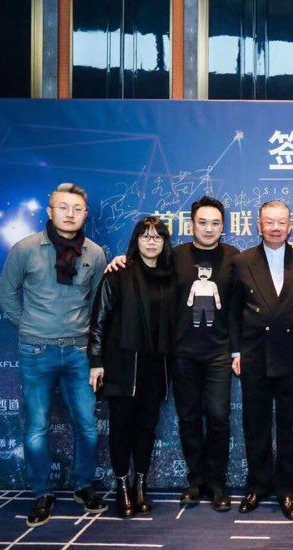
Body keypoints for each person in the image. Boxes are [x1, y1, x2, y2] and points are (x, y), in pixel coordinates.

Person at [105, 196, 238, 512]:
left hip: (219, 354)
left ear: (224, 226)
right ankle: (195, 482)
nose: (209, 228)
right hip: (181, 354)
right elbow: (144, 271)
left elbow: (258, 274)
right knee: (189, 419)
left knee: (218, 418)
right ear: (192, 225)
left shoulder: (235, 258)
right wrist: (121, 261)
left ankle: (217, 484)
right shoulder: (174, 257)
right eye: (202, 222)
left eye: (215, 223)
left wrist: (289, 250)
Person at [0, 182, 108, 528]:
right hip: (36, 350)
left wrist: (91, 347)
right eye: (63, 207)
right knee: (36, 427)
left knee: (87, 426)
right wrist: (29, 326)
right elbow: (5, 294)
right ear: (50, 211)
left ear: (85, 214)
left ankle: (84, 486)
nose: (70, 214)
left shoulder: (95, 253)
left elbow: (99, 304)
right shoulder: (26, 249)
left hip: (78, 351)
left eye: (77, 209)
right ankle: (42, 493)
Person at [230, 200, 293, 520]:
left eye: (282, 222)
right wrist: (236, 352)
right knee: (256, 425)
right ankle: (258, 485)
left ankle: (288, 489)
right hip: (255, 355)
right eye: (269, 222)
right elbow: (233, 312)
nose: (276, 228)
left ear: (291, 225)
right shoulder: (242, 261)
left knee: (292, 427)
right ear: (259, 225)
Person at [88, 216, 172, 518]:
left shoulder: (169, 276)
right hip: (122, 365)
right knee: (121, 428)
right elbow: (98, 321)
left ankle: (141, 485)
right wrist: (96, 362)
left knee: (146, 429)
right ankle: (122, 486)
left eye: (157, 237)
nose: (151, 242)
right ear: (136, 240)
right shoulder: (118, 273)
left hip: (156, 367)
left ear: (165, 242)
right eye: (145, 236)